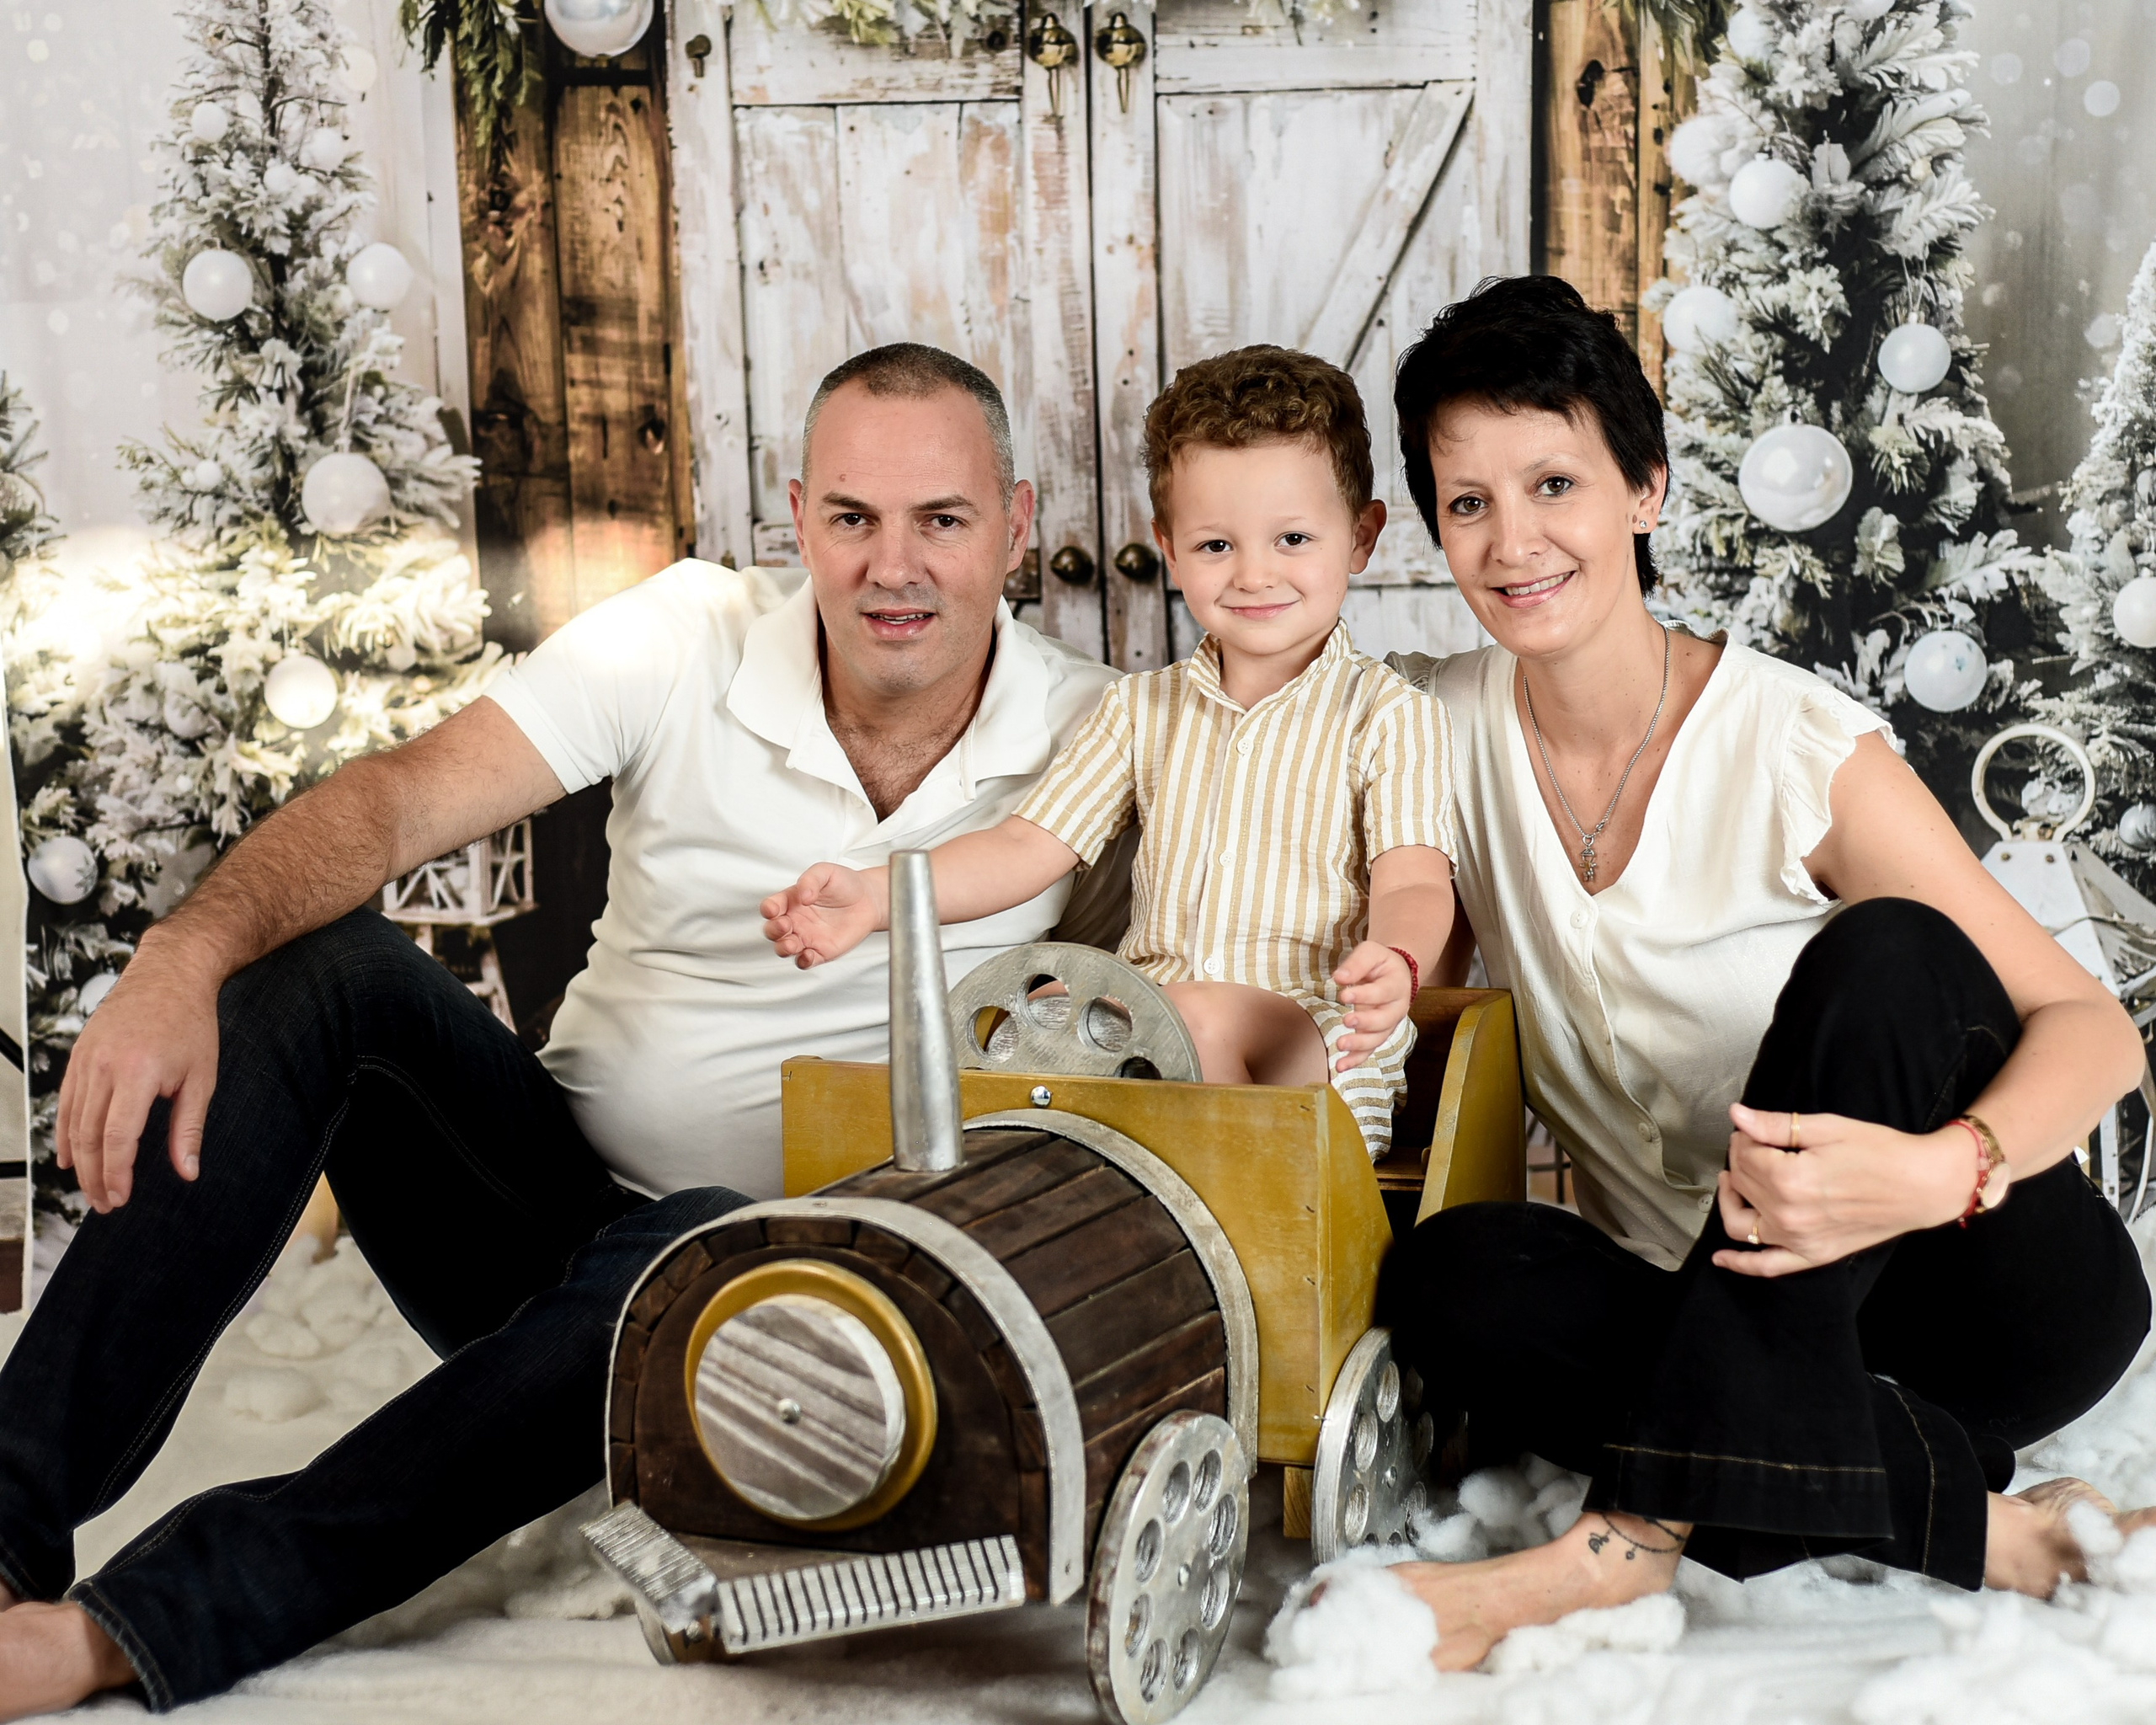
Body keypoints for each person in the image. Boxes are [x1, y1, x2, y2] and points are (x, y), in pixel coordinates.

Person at [0, 344, 1118, 1717]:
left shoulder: (1096, 731)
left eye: (941, 519)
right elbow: (396, 803)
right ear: (796, 516)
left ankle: (128, 1629)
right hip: (540, 1231)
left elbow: (1195, 990)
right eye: (851, 517)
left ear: (1014, 523)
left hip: (819, 1317)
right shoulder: (688, 633)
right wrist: (181, 954)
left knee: (703, 1231)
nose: (894, 566)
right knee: (327, 969)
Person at [1353, 275, 2154, 1668]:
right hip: (1706, 1313)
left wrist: (1943, 1171)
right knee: (1450, 1274)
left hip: (1979, 1290)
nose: (1513, 540)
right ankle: (1985, 1527)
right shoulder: (1425, 729)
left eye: (1556, 485)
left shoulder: (1793, 744)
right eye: (1468, 501)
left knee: (1893, 951)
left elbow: (2095, 1029)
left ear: (1646, 490)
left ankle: (1632, 1535)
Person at [762, 346, 1457, 1159]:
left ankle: (1209, 1203)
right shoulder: (1140, 710)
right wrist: (880, 895)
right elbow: (1023, 847)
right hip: (1150, 1015)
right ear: (1169, 547)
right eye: (1216, 546)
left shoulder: (1389, 715)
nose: (1254, 574)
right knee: (1017, 1025)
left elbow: (1414, 878)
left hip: (1310, 1036)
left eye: (1293, 538)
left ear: (1362, 537)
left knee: (1196, 1019)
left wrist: (1397, 958)